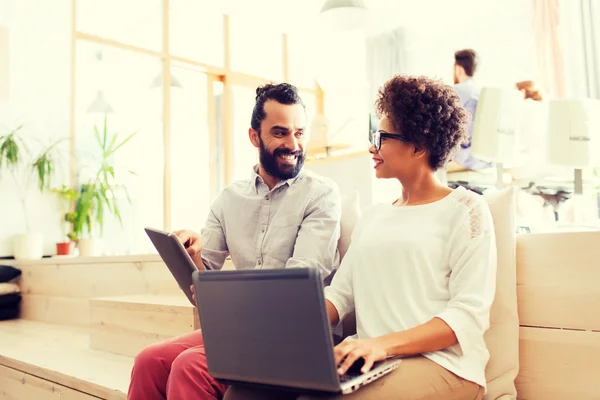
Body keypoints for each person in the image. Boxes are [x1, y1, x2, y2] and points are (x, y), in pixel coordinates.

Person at [225, 75, 497, 400]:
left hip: (444, 366)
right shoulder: (374, 218)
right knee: (245, 392)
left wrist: (380, 344)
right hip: (373, 362)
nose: (372, 146)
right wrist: (278, 320)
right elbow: (339, 296)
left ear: (419, 145)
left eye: (382, 137)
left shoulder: (466, 210)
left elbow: (467, 316)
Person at [127, 83, 342, 400]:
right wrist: (195, 257)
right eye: (280, 133)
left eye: (299, 132)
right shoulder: (229, 198)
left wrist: (231, 304)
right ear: (254, 136)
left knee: (190, 366)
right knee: (149, 360)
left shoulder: (321, 195)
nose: (293, 143)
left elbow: (295, 292)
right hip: (241, 331)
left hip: (294, 335)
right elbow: (202, 286)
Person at [447, 49, 492, 173]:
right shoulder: (481, 92)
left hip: (463, 160)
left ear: (459, 69)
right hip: (484, 160)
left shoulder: (456, 92)